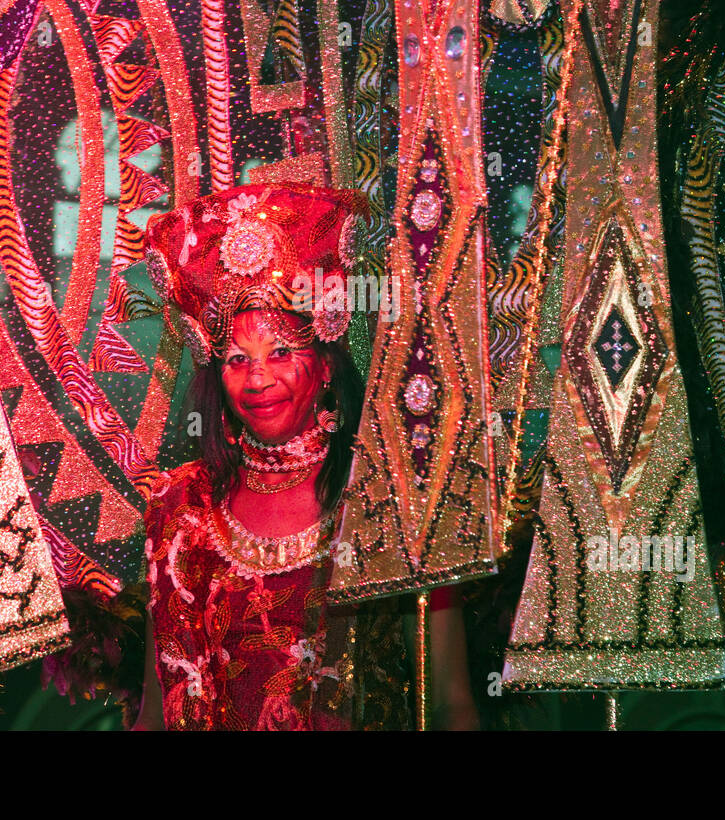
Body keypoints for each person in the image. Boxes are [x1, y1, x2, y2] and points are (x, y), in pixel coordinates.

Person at [132, 182, 477, 730]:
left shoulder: (391, 496)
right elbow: (156, 714)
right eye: (236, 359)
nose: (259, 378)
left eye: (282, 351)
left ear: (325, 364)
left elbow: (452, 704)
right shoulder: (181, 507)